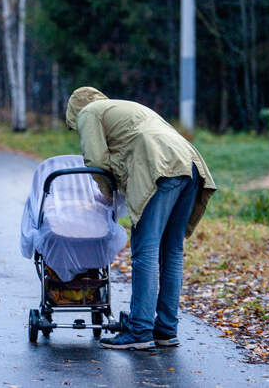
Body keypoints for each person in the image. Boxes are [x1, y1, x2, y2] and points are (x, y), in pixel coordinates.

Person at [65, 87, 216, 350]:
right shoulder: (124, 108)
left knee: (145, 250)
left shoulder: (88, 112)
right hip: (189, 163)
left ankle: (140, 331)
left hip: (160, 166)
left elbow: (96, 159)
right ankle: (166, 330)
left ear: (74, 112)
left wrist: (106, 194)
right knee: (172, 250)